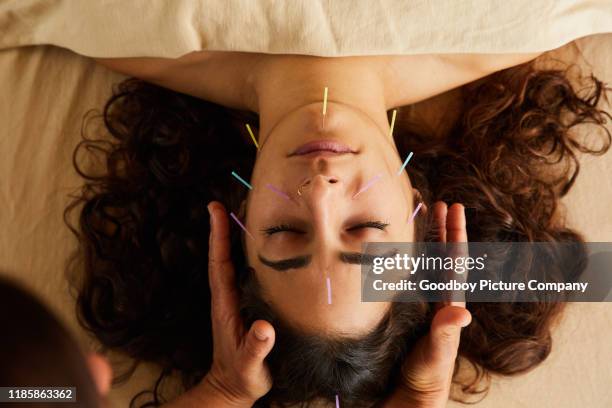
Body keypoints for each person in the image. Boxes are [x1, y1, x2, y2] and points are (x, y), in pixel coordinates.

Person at [65, 50, 611, 406]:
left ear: (238, 217)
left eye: (285, 232)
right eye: (366, 228)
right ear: (420, 213)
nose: (322, 192)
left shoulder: (93, 25)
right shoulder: (518, 24)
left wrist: (226, 390)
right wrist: (421, 395)